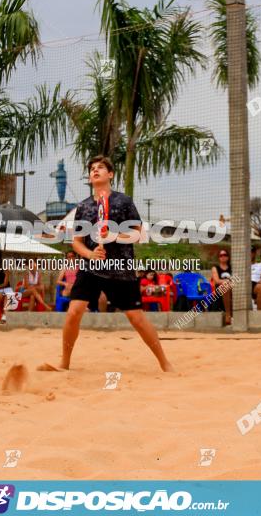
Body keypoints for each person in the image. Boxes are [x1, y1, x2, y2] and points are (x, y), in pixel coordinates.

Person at [40, 155, 173, 372]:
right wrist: (90, 255)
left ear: (110, 174)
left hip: (121, 269)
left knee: (136, 318)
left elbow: (138, 235)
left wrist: (114, 236)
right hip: (91, 268)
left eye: (100, 167)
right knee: (74, 312)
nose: (95, 170)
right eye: (92, 168)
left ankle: (165, 363)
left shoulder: (124, 202)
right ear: (90, 178)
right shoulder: (83, 207)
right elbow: (77, 243)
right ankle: (65, 362)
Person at [211, 250, 232, 325]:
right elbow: (216, 281)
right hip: (219, 291)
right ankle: (228, 315)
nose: (223, 257)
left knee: (227, 287)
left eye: (225, 255)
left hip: (232, 289)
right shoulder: (215, 268)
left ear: (228, 257)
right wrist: (227, 281)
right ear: (219, 258)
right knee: (225, 287)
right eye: (221, 255)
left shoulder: (232, 267)